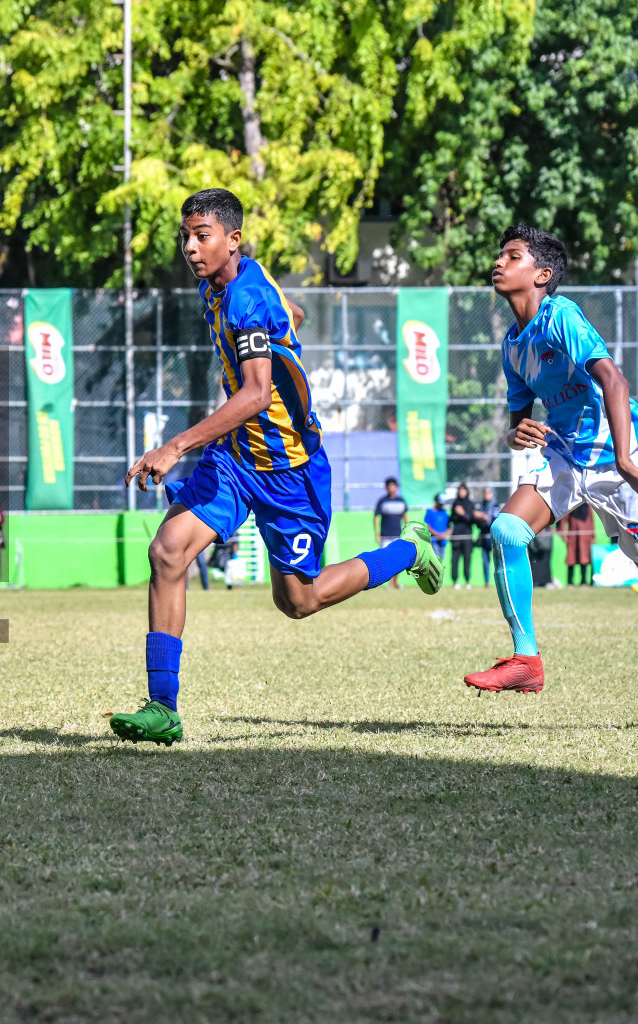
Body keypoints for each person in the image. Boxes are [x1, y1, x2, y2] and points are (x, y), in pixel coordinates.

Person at [108, 189, 441, 747]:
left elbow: (258, 393)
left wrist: (175, 447)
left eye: (202, 236)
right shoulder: (222, 283)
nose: (190, 247)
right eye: (186, 236)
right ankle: (162, 707)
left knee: (298, 601)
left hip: (291, 471)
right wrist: (288, 317)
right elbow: (286, 313)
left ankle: (410, 550)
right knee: (167, 552)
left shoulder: (246, 298)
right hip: (236, 460)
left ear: (232, 241)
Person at [466, 225, 638, 693]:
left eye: (513, 255)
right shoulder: (512, 346)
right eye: (500, 254)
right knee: (505, 530)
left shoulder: (560, 314)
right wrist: (514, 433)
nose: (499, 262)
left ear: (541, 274)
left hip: (613, 450)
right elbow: (517, 424)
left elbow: (615, 383)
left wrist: (625, 459)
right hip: (565, 455)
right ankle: (526, 661)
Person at [372, 477, 409, 589]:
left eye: (393, 485)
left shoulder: (401, 501)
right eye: (389, 486)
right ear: (386, 488)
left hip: (398, 535)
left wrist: (407, 531)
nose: (391, 488)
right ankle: (390, 583)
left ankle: (395, 582)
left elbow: (405, 517)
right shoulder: (382, 501)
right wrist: (377, 533)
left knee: (399, 560)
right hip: (385, 535)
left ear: (397, 487)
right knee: (386, 559)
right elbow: (375, 517)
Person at [556, 502, 594, 587]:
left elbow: (592, 522)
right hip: (573, 539)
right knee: (571, 559)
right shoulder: (571, 507)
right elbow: (563, 521)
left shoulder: (587, 507)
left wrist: (592, 537)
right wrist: (564, 536)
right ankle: (570, 582)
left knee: (584, 559)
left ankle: (584, 581)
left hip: (585, 539)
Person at [448, 483, 477, 588]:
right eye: (460, 490)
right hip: (456, 536)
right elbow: (451, 519)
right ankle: (455, 581)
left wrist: (463, 514)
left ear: (467, 491)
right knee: (455, 559)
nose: (461, 492)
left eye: (463, 490)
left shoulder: (470, 504)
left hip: (467, 536)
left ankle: (467, 581)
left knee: (467, 559)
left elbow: (472, 520)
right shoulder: (455, 503)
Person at [475, 487, 499, 586]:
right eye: (485, 493)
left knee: (497, 561)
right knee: (485, 561)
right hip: (484, 537)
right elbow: (478, 523)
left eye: (488, 492)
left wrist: (485, 517)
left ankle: (498, 582)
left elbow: (495, 520)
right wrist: (479, 518)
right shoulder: (482, 506)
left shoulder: (495, 505)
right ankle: (487, 582)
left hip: (493, 537)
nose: (486, 494)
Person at [423, 492, 451, 561]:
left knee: (440, 560)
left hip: (443, 541)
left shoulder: (445, 513)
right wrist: (437, 535)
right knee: (435, 560)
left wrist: (445, 535)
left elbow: (449, 526)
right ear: (435, 502)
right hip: (433, 541)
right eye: (439, 503)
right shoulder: (430, 512)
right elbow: (427, 526)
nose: (441, 505)